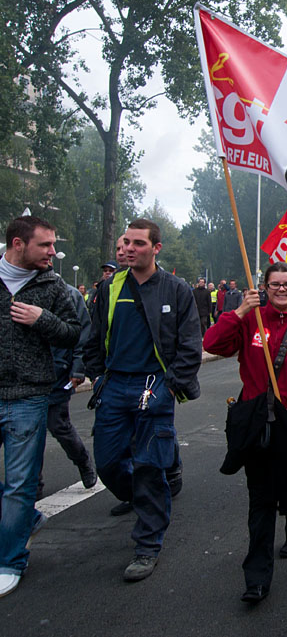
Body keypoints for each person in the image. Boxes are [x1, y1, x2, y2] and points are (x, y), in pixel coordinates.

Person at [203, 262, 287, 603]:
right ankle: (257, 576)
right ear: (264, 287)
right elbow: (213, 343)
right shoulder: (250, 319)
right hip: (257, 422)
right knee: (261, 497)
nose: (281, 289)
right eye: (274, 284)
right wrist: (239, 310)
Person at [84, 218, 202, 583]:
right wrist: (97, 374)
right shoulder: (109, 287)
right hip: (114, 386)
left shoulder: (176, 289)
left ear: (156, 248)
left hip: (154, 386)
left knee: (150, 465)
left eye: (138, 243)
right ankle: (140, 496)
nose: (130, 248)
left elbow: (189, 344)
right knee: (106, 462)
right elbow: (93, 335)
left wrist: (170, 387)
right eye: (126, 242)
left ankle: (147, 544)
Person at [0, 216, 81, 599]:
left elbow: (74, 331)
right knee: (15, 492)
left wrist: (42, 319)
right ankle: (27, 520)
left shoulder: (53, 287)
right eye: (45, 245)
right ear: (18, 244)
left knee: (20, 483)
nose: (53, 252)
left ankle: (10, 560)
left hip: (29, 395)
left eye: (53, 245)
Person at [37, 281, 97, 500]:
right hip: (24, 378)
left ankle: (83, 461)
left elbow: (83, 333)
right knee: (29, 433)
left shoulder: (68, 293)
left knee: (58, 426)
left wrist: (78, 367)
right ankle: (34, 485)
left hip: (58, 373)